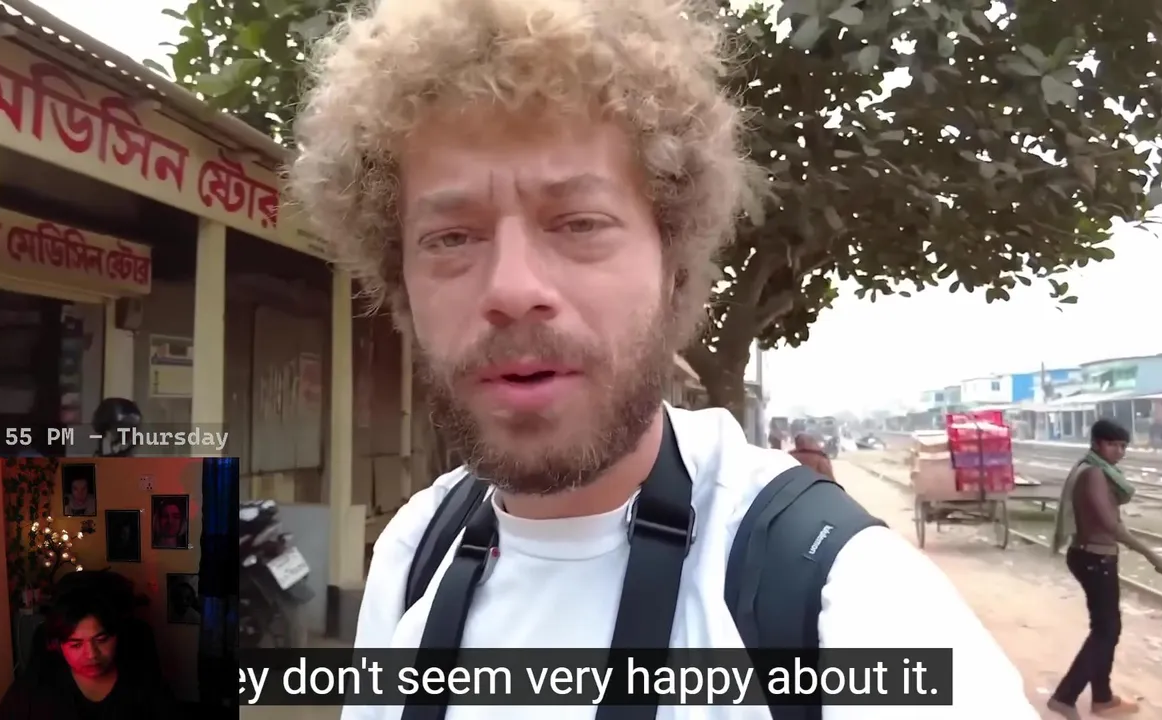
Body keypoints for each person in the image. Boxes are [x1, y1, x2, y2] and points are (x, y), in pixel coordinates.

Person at [293, 0, 1036, 717]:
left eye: (578, 223)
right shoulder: (415, 551)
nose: (512, 290)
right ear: (401, 281)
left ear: (672, 264)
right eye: (451, 238)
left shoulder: (831, 591)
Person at [1048, 418, 1162, 718]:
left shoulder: (1098, 470)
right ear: (1096, 444)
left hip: (1094, 557)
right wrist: (1151, 555)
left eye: (1123, 446)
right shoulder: (1093, 473)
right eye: (1112, 444)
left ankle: (1102, 698)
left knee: (1106, 629)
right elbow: (1110, 524)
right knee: (1106, 630)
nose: (1119, 451)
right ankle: (1064, 697)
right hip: (1094, 559)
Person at [0, 583, 180, 719]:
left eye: (101, 640)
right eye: (76, 644)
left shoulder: (147, 686)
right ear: (58, 645)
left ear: (116, 636)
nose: (91, 654)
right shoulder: (31, 692)